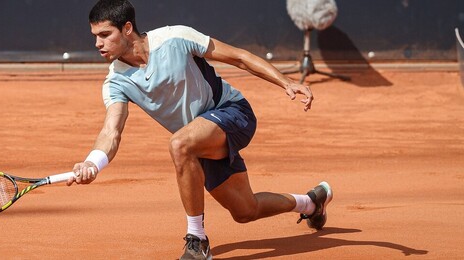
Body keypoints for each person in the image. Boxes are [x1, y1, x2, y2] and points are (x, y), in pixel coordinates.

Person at [67, 0, 333, 259]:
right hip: (199, 140)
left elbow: (239, 57)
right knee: (245, 211)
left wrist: (285, 82)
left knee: (179, 144)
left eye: (104, 34)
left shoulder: (175, 38)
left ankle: (197, 241)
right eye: (95, 36)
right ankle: (310, 203)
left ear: (126, 29)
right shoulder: (115, 81)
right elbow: (111, 131)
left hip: (232, 112)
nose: (98, 44)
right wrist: (93, 162)